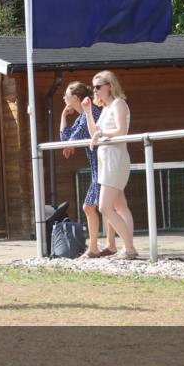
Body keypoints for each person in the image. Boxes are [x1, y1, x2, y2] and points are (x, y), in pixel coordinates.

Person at [81, 71, 138, 259]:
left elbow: (121, 131)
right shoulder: (105, 109)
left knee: (104, 208)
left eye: (98, 87)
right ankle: (128, 248)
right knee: (120, 207)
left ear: (110, 86)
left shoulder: (118, 104)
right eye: (93, 87)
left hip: (116, 160)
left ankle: (129, 248)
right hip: (106, 161)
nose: (94, 91)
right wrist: (88, 112)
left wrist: (101, 133)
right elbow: (94, 133)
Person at [60, 81, 117, 258]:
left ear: (75, 98)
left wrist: (69, 144)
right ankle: (109, 245)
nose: (63, 98)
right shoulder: (81, 116)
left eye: (66, 95)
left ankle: (94, 248)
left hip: (102, 166)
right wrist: (63, 116)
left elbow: (71, 140)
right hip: (97, 167)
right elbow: (66, 138)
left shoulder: (89, 113)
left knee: (90, 207)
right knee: (106, 206)